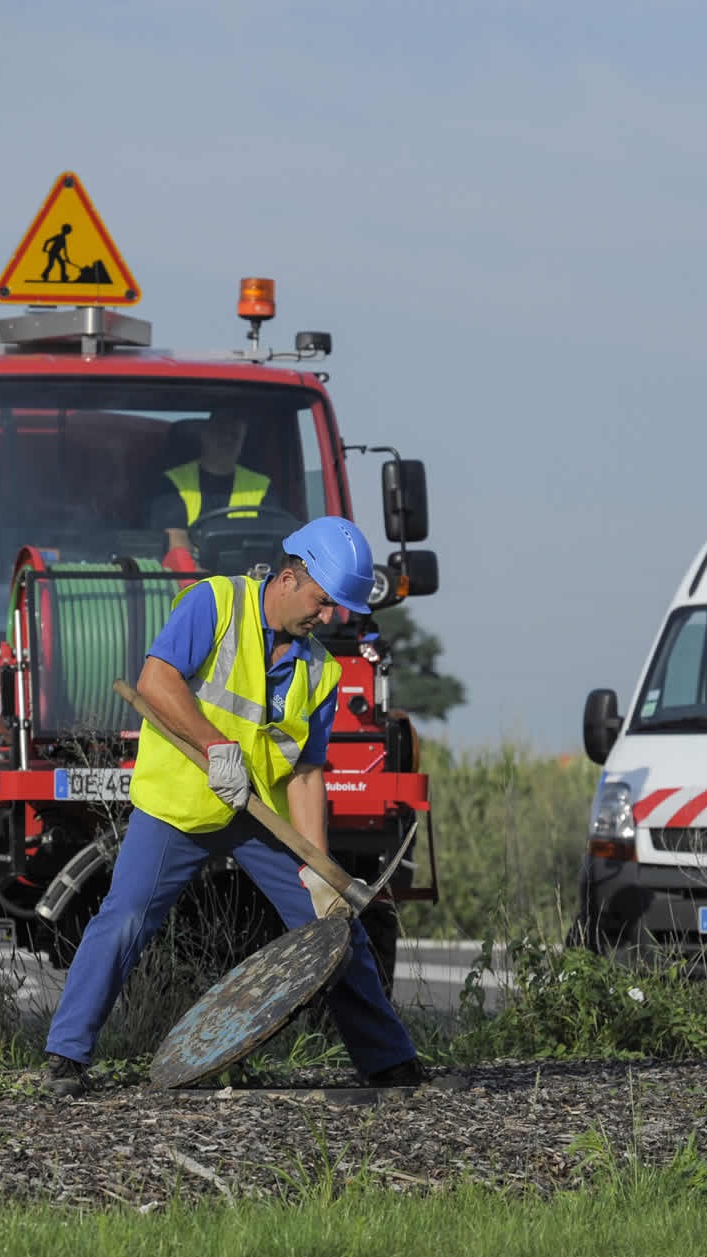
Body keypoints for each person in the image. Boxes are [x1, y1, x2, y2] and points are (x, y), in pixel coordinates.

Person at [43, 516, 425, 1097]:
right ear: (291, 577)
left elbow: (305, 772)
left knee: (335, 928)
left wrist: (320, 870)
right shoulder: (214, 604)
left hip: (256, 816)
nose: (327, 619)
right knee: (123, 920)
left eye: (335, 610)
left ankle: (389, 1061)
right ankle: (65, 1058)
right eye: (322, 603)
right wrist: (216, 747)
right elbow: (156, 681)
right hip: (180, 805)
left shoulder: (319, 670)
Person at [150, 408, 272, 563]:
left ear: (243, 439)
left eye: (234, 435)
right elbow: (175, 542)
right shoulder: (172, 482)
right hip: (193, 581)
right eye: (220, 432)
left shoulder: (262, 486)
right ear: (204, 435)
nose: (227, 440)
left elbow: (272, 542)